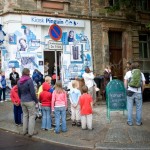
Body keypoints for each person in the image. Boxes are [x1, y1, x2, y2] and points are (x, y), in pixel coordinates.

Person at [17, 68, 38, 137]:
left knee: (25, 115)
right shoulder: (29, 80)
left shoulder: (19, 81)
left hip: (22, 100)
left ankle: (24, 131)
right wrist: (36, 100)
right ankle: (30, 132)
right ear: (28, 73)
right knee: (32, 116)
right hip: (29, 100)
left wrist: (21, 98)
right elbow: (32, 92)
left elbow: (19, 92)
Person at [124, 62, 145, 126]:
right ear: (138, 67)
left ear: (131, 67)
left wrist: (126, 89)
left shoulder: (128, 73)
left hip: (130, 92)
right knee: (139, 108)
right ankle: (138, 122)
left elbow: (125, 82)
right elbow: (143, 84)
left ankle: (129, 122)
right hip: (138, 92)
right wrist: (141, 91)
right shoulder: (141, 74)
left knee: (129, 107)